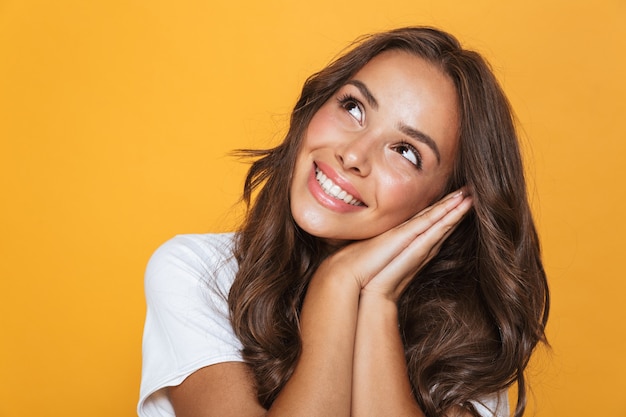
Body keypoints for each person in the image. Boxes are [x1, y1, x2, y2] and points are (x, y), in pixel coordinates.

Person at [138, 26, 549, 417]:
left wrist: (374, 301)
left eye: (406, 151)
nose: (353, 155)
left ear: (445, 203)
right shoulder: (196, 271)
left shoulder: (464, 340)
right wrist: (338, 286)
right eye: (353, 107)